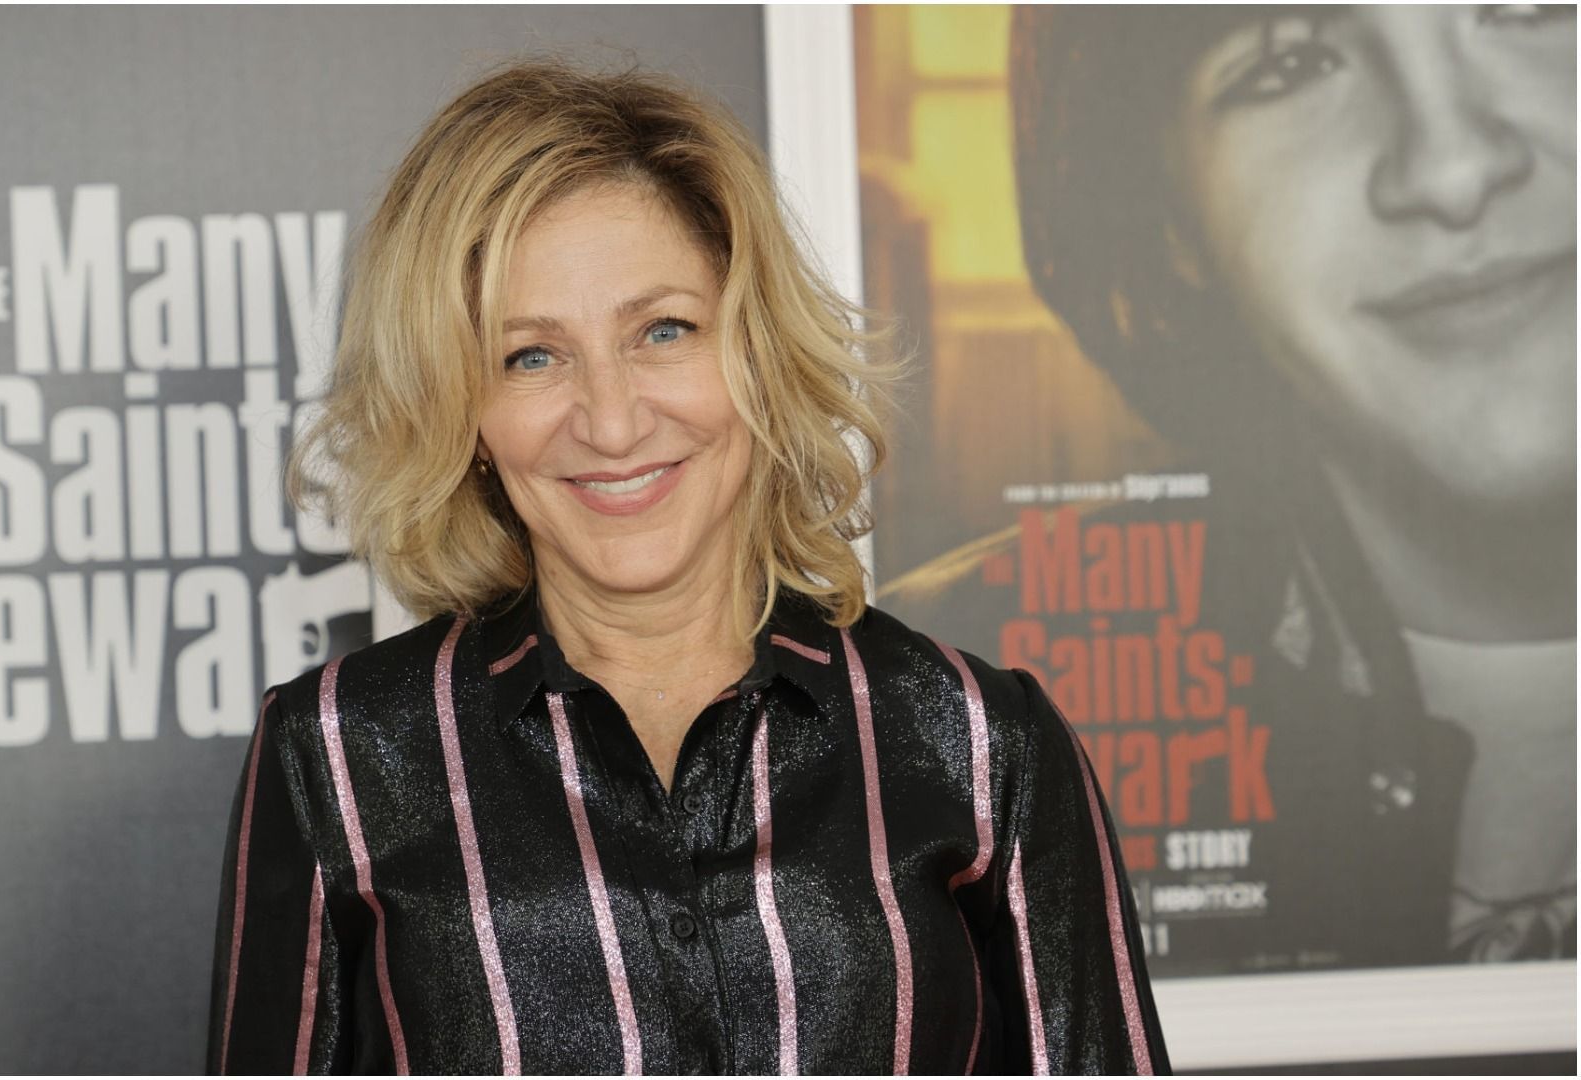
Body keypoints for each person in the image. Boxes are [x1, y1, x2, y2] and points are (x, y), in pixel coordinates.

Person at [207, 59, 1169, 1074]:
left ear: (757, 353)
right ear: (464, 413)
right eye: (529, 356)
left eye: (663, 330)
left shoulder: (981, 741)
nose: (612, 420)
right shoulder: (341, 756)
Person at [1008, 6, 1575, 966]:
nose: (1451, 169)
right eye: (1291, 64)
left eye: (1533, 8)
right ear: (1171, 222)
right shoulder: (950, 708)